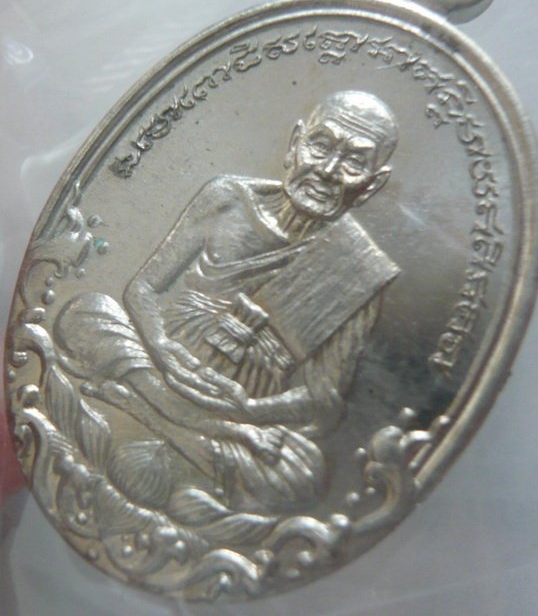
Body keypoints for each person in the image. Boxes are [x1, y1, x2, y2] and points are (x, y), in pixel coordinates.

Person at [54, 91, 400, 514]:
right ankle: (196, 429)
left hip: (236, 405)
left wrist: (248, 409)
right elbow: (142, 288)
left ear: (372, 184)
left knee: (305, 479)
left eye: (353, 162)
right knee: (84, 313)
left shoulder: (359, 270)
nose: (327, 171)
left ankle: (156, 413)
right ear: (295, 144)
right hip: (159, 365)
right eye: (321, 146)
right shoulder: (228, 197)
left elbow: (324, 401)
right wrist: (162, 348)